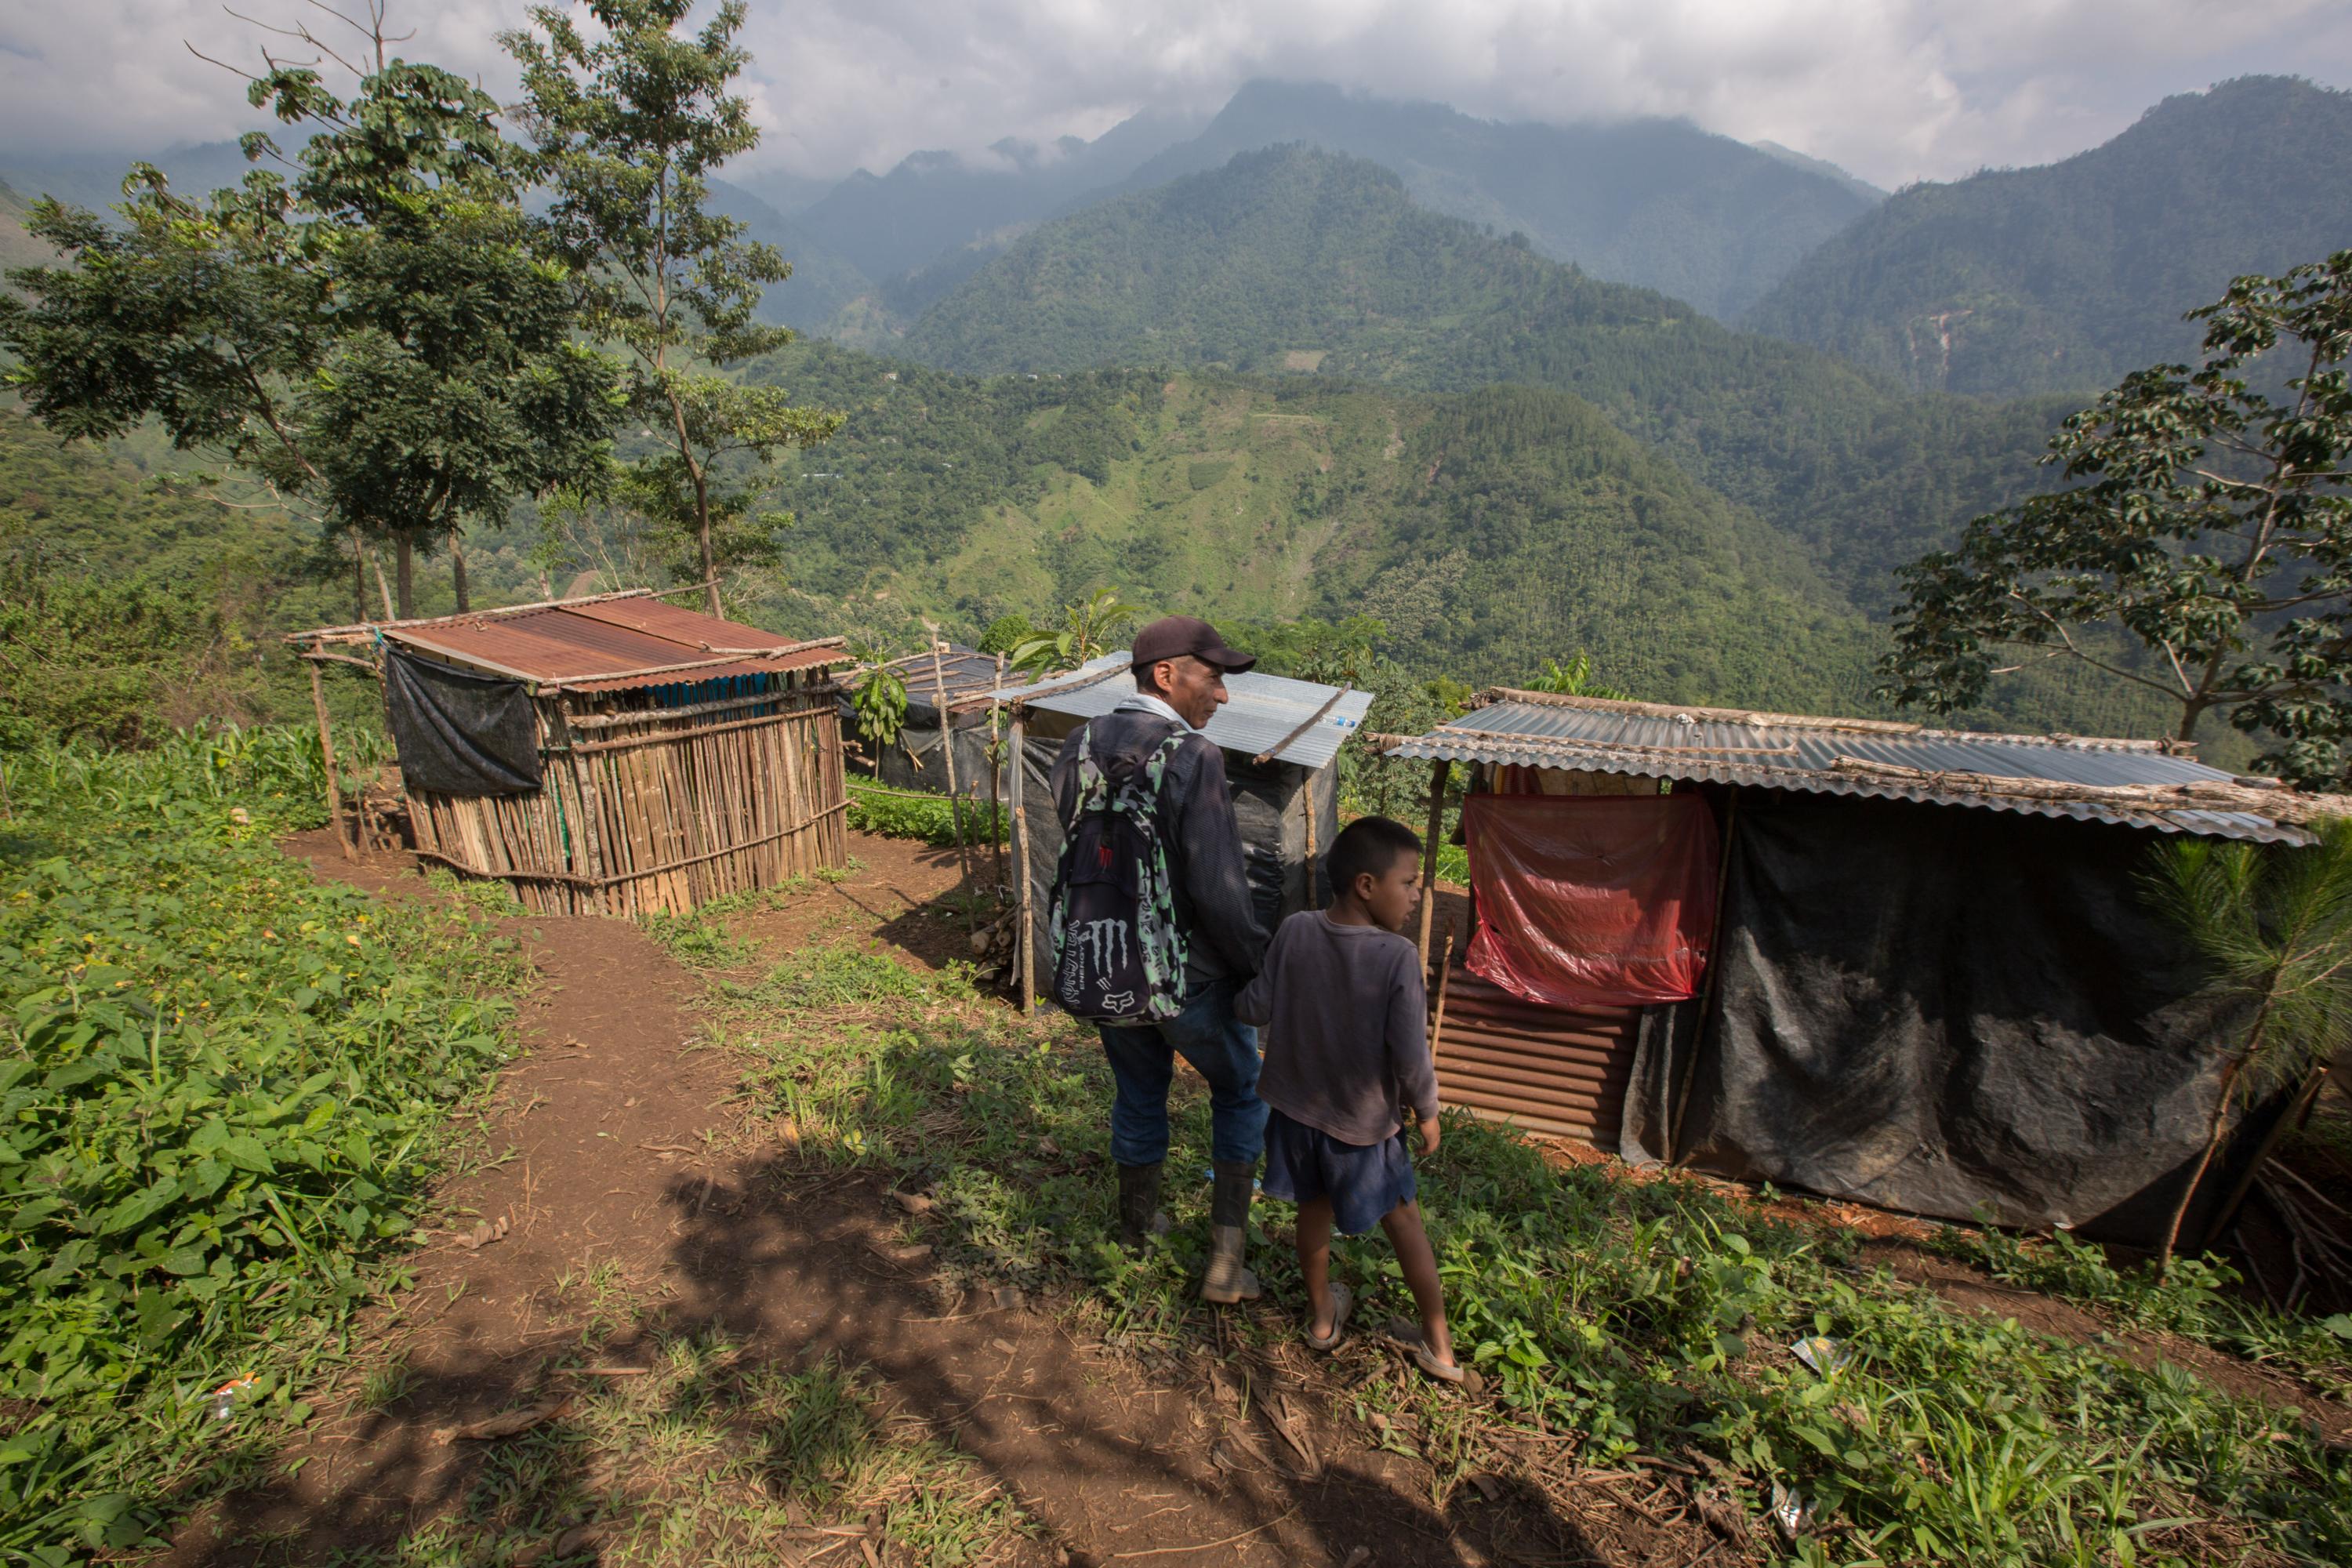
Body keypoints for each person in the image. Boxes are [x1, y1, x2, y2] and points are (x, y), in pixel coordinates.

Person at [1048, 615, 1272, 1302]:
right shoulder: (1191, 755)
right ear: (1167, 675)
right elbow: (1219, 887)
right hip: (1189, 979)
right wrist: (1258, 967)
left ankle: (1135, 1231)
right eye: (1215, 678)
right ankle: (1225, 1265)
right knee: (1241, 1089)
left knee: (1139, 1094)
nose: (1223, 696)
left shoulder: (1076, 745)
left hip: (1106, 969)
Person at [1236, 815, 1470, 1387]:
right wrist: (1430, 1110)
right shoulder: (1395, 959)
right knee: (1406, 1224)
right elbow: (1411, 1055)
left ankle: (1322, 1320)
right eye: (1409, 882)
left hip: (1294, 1116)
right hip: (1365, 1130)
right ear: (1366, 885)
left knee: (1312, 1213)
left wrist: (1224, 987)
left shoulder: (1294, 931)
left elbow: (1254, 1008)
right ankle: (1439, 1347)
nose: (1417, 895)